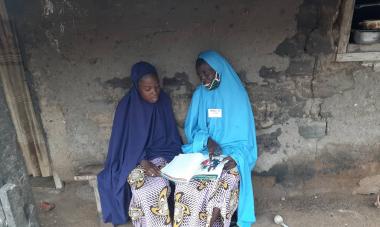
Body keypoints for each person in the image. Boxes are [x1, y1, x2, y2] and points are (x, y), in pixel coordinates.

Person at [174, 50, 258, 227]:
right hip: (206, 152)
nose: (204, 78)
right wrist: (206, 140)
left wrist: (236, 159)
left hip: (233, 155)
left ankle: (212, 223)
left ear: (219, 70)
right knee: (187, 186)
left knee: (225, 183)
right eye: (200, 75)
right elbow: (192, 128)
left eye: (207, 72)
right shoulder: (200, 94)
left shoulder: (238, 96)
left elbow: (246, 141)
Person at [97, 61, 182, 226]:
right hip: (134, 160)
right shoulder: (127, 106)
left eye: (157, 87)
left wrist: (171, 160)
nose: (155, 93)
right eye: (148, 89)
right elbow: (124, 144)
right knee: (145, 190)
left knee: (165, 183)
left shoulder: (163, 101)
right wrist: (142, 161)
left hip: (164, 155)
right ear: (137, 87)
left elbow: (170, 136)